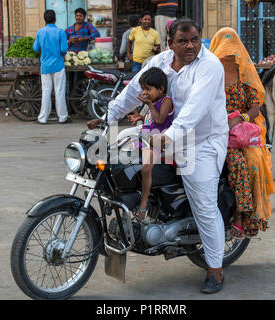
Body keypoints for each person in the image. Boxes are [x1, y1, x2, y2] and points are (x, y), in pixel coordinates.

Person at [88, 18, 229, 294]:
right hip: (162, 132)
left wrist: (167, 138)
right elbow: (132, 93)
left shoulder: (209, 66)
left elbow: (194, 112)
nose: (191, 46)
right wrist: (107, 117)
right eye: (183, 41)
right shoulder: (160, 62)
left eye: (195, 39)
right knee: (119, 160)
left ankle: (215, 268)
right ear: (170, 43)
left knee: (203, 203)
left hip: (200, 142)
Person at [209, 27, 275, 239]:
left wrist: (241, 118)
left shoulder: (244, 73)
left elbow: (255, 107)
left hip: (241, 133)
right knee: (235, 162)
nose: (229, 53)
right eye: (225, 48)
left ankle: (246, 216)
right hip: (215, 132)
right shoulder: (210, 74)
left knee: (254, 160)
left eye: (233, 48)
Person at [118, 67, 174, 219]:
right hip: (145, 136)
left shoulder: (166, 101)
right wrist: (140, 117)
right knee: (121, 155)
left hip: (158, 140)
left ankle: (144, 201)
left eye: (148, 89)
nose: (145, 92)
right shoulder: (153, 101)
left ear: (161, 89)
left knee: (146, 167)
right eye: (143, 89)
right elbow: (151, 120)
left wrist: (149, 104)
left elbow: (160, 120)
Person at [33, 10, 70, 124]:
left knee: (46, 91)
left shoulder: (40, 32)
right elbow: (64, 49)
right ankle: (62, 117)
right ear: (55, 19)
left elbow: (35, 48)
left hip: (45, 67)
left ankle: (43, 118)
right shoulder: (60, 32)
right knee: (59, 91)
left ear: (45, 20)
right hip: (58, 65)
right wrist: (60, 54)